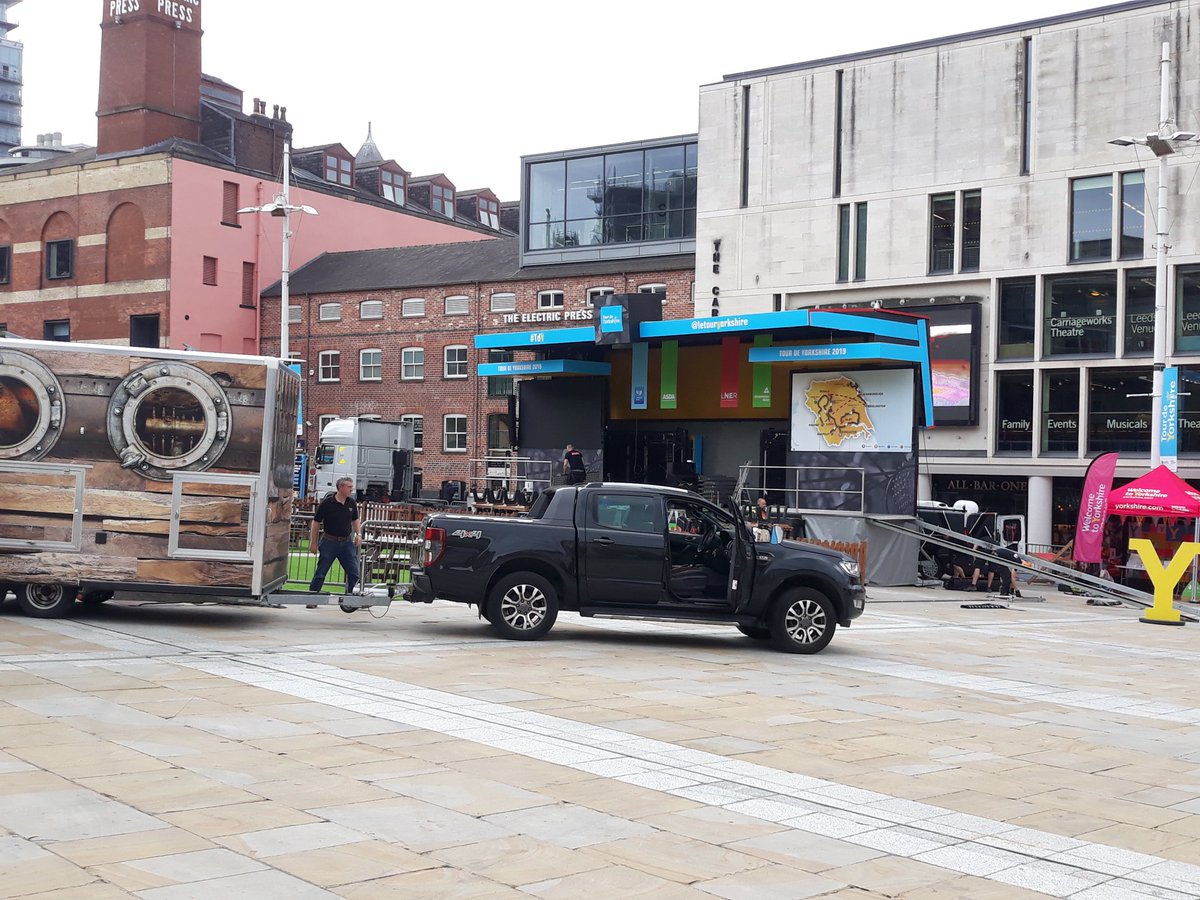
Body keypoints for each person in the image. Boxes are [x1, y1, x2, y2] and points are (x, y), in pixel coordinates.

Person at [309, 476, 361, 594]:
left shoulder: (351, 503)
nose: (351, 489)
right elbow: (316, 522)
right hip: (329, 542)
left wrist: (358, 534)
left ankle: (352, 597)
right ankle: (312, 596)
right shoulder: (327, 503)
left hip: (346, 543)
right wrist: (313, 542)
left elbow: (355, 519)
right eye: (349, 487)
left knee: (354, 572)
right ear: (340, 487)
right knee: (321, 571)